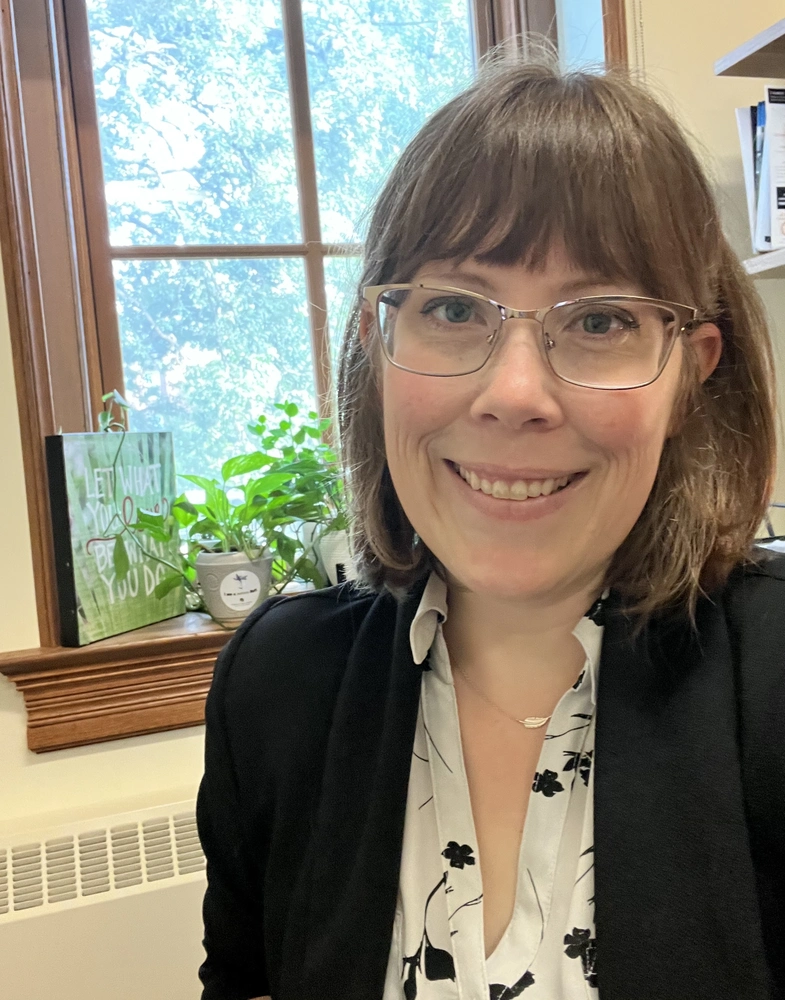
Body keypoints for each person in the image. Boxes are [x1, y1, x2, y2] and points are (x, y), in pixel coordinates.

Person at [196, 51, 785, 1000]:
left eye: (599, 321)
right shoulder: (277, 685)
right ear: (376, 348)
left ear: (690, 374)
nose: (514, 394)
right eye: (453, 308)